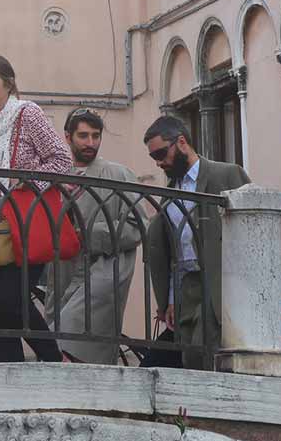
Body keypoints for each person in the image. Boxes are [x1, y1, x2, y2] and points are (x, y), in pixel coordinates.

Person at [0, 55, 73, 363]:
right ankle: (10, 370)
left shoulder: (28, 114)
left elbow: (61, 160)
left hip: (25, 221)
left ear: (8, 83)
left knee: (10, 301)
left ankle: (53, 359)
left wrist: (27, 186)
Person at [143, 116, 249, 370]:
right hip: (184, 286)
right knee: (189, 356)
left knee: (206, 354)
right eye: (153, 157)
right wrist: (168, 297)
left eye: (160, 153)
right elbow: (173, 250)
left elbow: (251, 230)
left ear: (181, 142)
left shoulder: (226, 174)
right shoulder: (172, 190)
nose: (158, 162)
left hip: (216, 283)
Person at [52, 108, 143, 364]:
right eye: (83, 136)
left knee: (75, 337)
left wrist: (87, 235)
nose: (90, 143)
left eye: (95, 136)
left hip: (103, 269)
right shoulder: (55, 177)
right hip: (63, 272)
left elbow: (137, 225)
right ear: (68, 137)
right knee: (56, 338)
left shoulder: (119, 175)